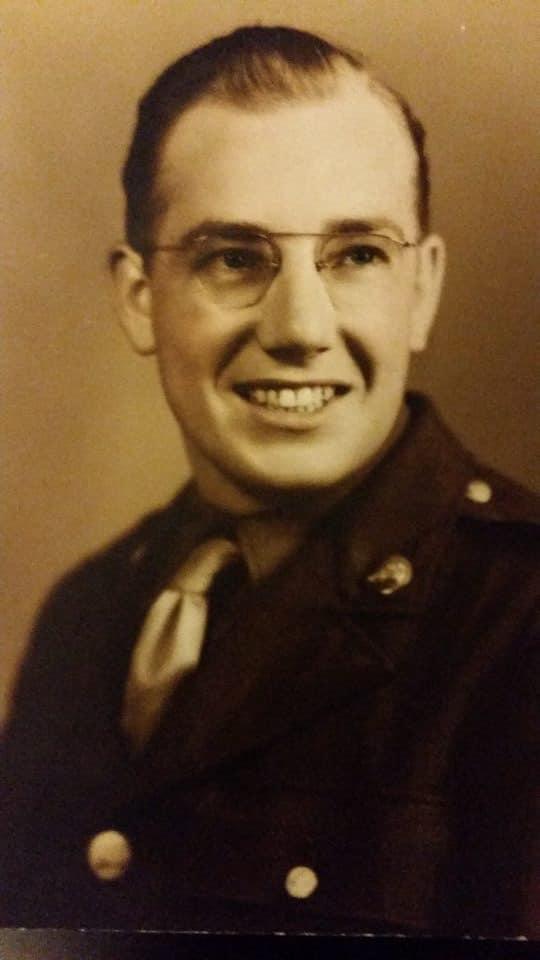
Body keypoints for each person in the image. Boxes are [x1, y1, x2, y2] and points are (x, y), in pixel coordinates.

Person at [1, 25, 538, 936]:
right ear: (140, 299)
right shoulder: (87, 615)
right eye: (234, 257)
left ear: (424, 290)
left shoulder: (520, 623)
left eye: (357, 254)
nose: (300, 326)